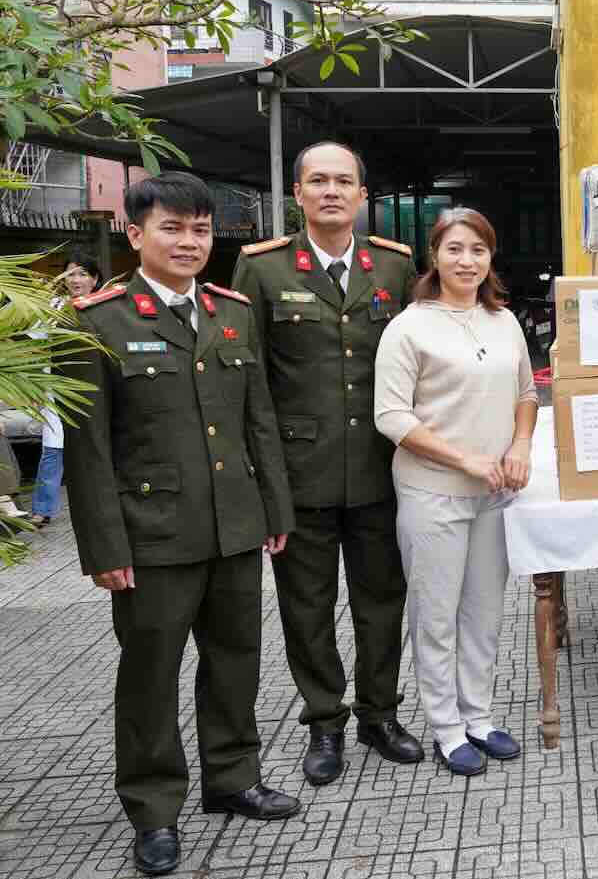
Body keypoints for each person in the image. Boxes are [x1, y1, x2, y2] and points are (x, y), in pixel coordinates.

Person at [64, 172, 300, 876]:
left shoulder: (232, 311)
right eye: (172, 228)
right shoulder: (97, 321)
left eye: (200, 229)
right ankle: (153, 808)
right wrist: (104, 547)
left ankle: (233, 777)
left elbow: (258, 420)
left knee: (235, 661)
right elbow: (88, 451)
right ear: (135, 234)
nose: (190, 241)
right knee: (150, 676)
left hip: (233, 526)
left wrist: (274, 510)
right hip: (151, 535)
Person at [232, 141, 422, 785]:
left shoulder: (394, 265)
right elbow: (249, 380)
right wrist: (262, 482)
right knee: (306, 608)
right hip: (299, 473)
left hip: (380, 469)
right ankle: (324, 722)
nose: (332, 191)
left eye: (344, 181)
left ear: (363, 195)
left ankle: (380, 714)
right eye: (318, 181)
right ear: (298, 194)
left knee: (382, 600)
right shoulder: (261, 268)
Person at [374, 207, 536, 776]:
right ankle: (446, 727)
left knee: (484, 612)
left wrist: (521, 445)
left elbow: (527, 394)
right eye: (455, 249)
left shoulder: (504, 321)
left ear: (490, 258)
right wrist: (463, 458)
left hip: (495, 494)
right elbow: (391, 416)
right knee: (436, 615)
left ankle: (479, 717)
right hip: (433, 492)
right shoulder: (409, 327)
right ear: (435, 256)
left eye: (478, 250)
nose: (467, 261)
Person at [24, 246, 102, 526]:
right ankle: (42, 508)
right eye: (70, 274)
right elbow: (36, 345)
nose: (76, 280)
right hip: (57, 390)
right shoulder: (54, 308)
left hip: (98, 391)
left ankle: (102, 506)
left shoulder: (106, 307)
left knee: (98, 450)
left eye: (82, 274)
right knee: (53, 450)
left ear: (95, 278)